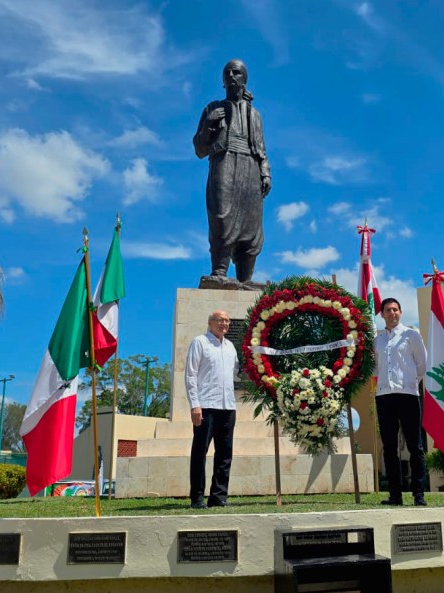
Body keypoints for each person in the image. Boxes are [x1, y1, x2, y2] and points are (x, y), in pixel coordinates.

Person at [193, 59, 271, 286]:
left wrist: (265, 172)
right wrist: (208, 125)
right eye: (227, 72)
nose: (231, 76)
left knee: (251, 222)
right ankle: (219, 271)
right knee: (221, 216)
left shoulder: (255, 114)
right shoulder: (212, 108)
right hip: (224, 161)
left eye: (236, 72)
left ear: (244, 79)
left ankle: (245, 278)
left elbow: (262, 148)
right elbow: (199, 149)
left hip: (250, 166)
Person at [374, 298, 429, 506]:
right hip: (384, 397)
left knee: (415, 446)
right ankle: (395, 495)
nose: (392, 313)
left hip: (408, 396)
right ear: (382, 314)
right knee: (389, 447)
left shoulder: (411, 335)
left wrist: (410, 383)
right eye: (388, 310)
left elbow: (422, 364)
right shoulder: (377, 340)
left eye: (395, 309)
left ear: (400, 312)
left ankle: (418, 494)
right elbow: (375, 368)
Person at [185, 309, 239, 509]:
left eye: (227, 321)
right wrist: (195, 404)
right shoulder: (199, 342)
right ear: (210, 323)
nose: (224, 324)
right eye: (220, 320)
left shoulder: (231, 347)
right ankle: (197, 498)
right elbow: (190, 375)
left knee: (225, 454)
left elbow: (235, 373)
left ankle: (218, 497)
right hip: (205, 406)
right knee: (200, 453)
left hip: (228, 407)